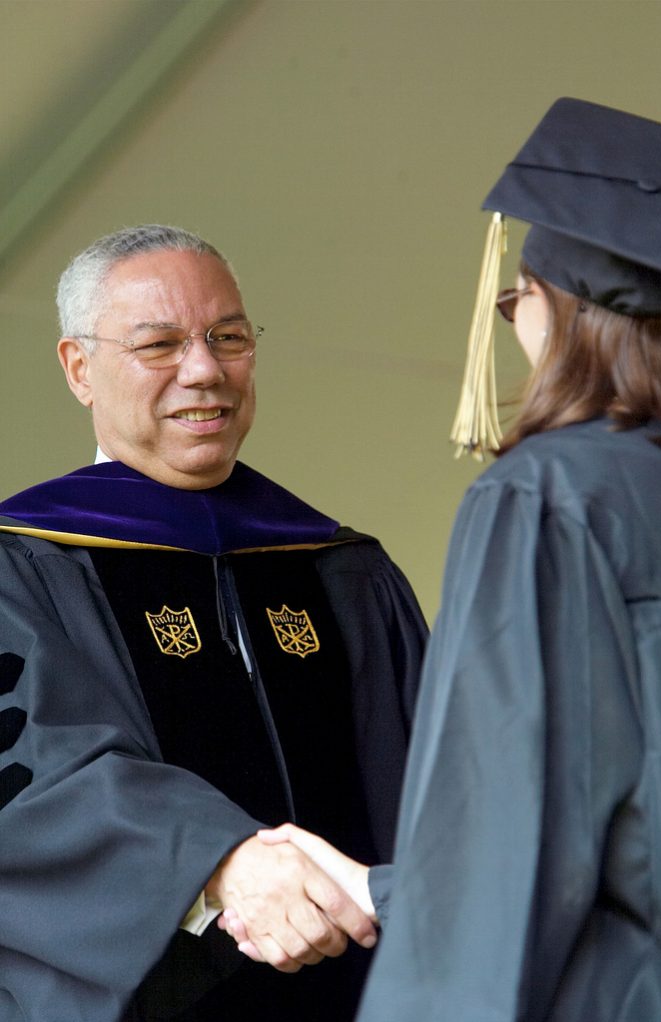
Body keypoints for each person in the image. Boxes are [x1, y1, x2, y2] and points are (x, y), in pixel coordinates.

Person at [234, 98, 661, 1021]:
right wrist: (386, 890)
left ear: (556, 310)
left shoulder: (552, 497)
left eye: (518, 301)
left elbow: (520, 825)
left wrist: (406, 915)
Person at [0, 224, 428, 1022]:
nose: (203, 371)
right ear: (78, 368)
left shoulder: (342, 569)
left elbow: (431, 790)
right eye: (158, 344)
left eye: (227, 337)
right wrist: (212, 860)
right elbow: (34, 788)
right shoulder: (22, 571)